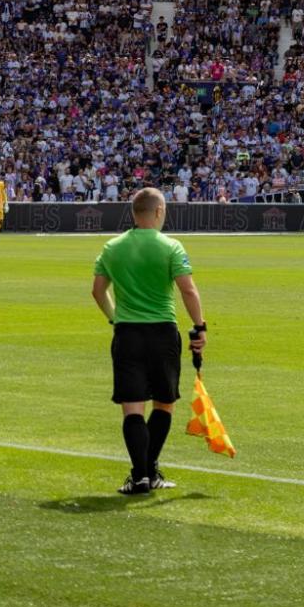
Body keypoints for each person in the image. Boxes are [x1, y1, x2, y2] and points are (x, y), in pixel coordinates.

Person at [92, 187, 206, 495]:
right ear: (158, 212)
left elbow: (98, 291)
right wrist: (200, 326)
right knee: (163, 404)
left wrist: (114, 317)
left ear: (134, 213)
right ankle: (149, 470)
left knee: (132, 409)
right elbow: (188, 290)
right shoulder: (171, 246)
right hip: (163, 333)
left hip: (128, 333)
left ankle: (140, 476)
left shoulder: (112, 247)